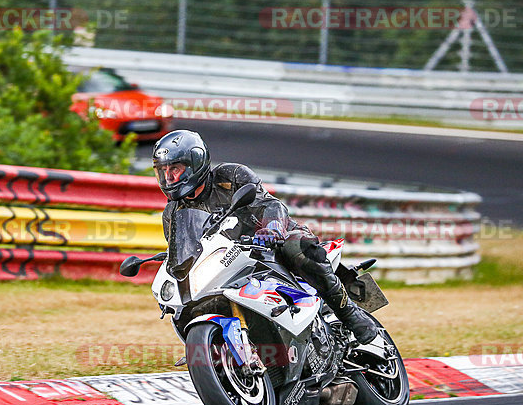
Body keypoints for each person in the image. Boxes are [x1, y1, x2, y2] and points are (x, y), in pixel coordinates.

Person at [153, 129, 380, 345]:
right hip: (229, 260)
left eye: (175, 168)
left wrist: (271, 229)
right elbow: (183, 251)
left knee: (296, 247)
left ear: (194, 163)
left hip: (271, 240)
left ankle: (350, 315)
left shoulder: (230, 176)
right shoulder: (172, 213)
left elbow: (269, 204)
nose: (169, 176)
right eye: (163, 171)